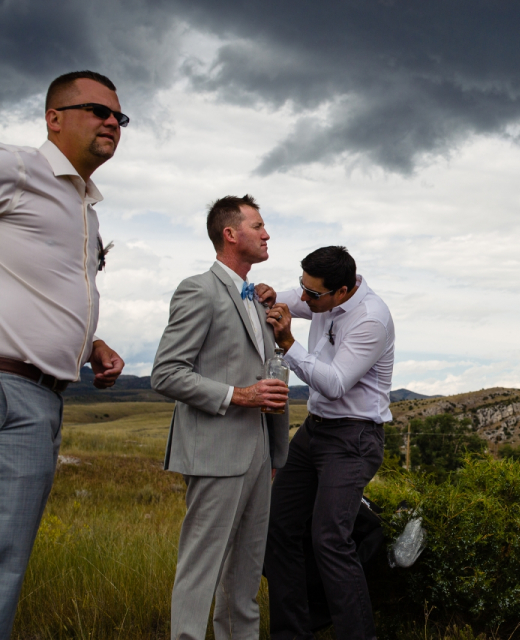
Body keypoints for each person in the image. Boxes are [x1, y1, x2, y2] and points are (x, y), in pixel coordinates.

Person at [0, 70, 127, 638]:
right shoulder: (21, 167)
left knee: (7, 561)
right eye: (97, 110)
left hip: (43, 399)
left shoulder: (87, 211)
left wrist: (90, 342)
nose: (111, 123)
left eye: (118, 117)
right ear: (54, 118)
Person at [151, 195, 290, 640]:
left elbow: (262, 369)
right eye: (258, 225)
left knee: (246, 576)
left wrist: (273, 450)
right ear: (230, 234)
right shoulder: (198, 289)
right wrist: (239, 395)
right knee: (201, 570)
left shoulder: (258, 298)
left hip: (259, 454)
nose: (267, 233)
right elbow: (167, 373)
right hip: (214, 450)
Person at [258, 246, 394, 640]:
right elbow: (284, 299)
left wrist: (288, 342)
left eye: (312, 294)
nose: (303, 298)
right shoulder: (319, 296)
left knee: (330, 540)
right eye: (303, 285)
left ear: (344, 291)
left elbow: (334, 384)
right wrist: (265, 293)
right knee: (279, 528)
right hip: (314, 431)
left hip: (353, 438)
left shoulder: (371, 319)